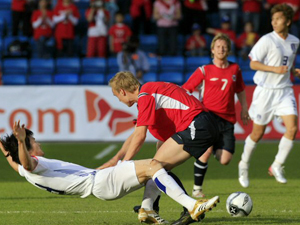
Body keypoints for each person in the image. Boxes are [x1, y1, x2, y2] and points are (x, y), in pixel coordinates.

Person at [1, 121, 219, 224]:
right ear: (27, 147)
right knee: (154, 166)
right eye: (33, 140)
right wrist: (20, 141)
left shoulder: (24, 170)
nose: (37, 142)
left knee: (156, 167)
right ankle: (192, 205)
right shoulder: (34, 164)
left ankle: (147, 210)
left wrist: (5, 147)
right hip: (101, 183)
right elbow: (26, 162)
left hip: (101, 184)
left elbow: (15, 162)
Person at [100, 71, 221, 223]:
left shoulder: (145, 95)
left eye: (116, 95)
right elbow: (138, 134)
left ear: (122, 92)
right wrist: (117, 159)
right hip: (202, 123)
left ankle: (187, 208)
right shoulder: (150, 92)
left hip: (197, 124)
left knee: (154, 167)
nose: (118, 99)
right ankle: (149, 208)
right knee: (156, 167)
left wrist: (124, 164)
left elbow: (139, 136)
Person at [238, 3, 300, 188]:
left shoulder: (295, 41)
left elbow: (287, 63)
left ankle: (277, 165)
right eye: (273, 19)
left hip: (284, 90)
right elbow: (253, 64)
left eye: (278, 19)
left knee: (292, 129)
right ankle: (244, 164)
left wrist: (294, 71)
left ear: (288, 21)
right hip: (265, 92)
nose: (274, 22)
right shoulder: (266, 40)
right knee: (257, 133)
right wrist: (274, 69)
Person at [183, 33, 250, 197]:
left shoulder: (235, 69)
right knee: (204, 153)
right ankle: (197, 189)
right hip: (208, 117)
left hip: (227, 120)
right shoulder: (204, 70)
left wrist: (244, 108)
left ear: (228, 50)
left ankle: (212, 147)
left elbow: (240, 89)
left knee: (225, 160)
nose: (221, 49)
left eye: (224, 46)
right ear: (212, 50)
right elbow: (186, 90)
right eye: (218, 46)